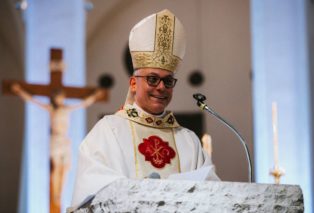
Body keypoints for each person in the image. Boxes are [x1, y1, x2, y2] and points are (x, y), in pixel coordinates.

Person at [71, 9, 220, 208]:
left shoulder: (189, 141)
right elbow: (91, 193)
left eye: (168, 81)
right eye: (152, 79)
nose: (161, 87)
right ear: (133, 83)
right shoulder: (108, 131)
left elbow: (214, 197)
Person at [11, 83, 104, 212]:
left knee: (65, 167)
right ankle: (55, 194)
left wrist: (95, 95)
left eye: (61, 97)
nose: (60, 99)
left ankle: (60, 192)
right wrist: (19, 90)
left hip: (65, 140)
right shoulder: (51, 109)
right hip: (55, 140)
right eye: (58, 97)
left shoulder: (66, 109)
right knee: (57, 167)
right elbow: (33, 100)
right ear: (54, 98)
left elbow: (83, 104)